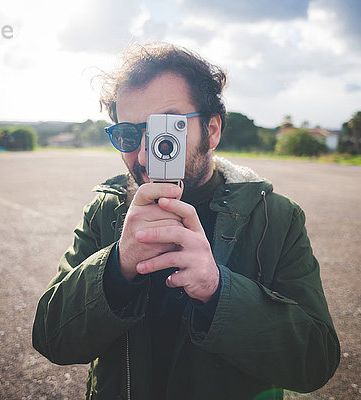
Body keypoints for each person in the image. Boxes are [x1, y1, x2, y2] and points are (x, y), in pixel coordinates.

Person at [32, 42, 340, 400]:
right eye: (129, 134)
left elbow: (315, 361)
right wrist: (116, 267)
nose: (146, 154)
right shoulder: (105, 212)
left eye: (168, 129)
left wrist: (219, 291)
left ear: (212, 131)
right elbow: (52, 337)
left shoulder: (276, 218)